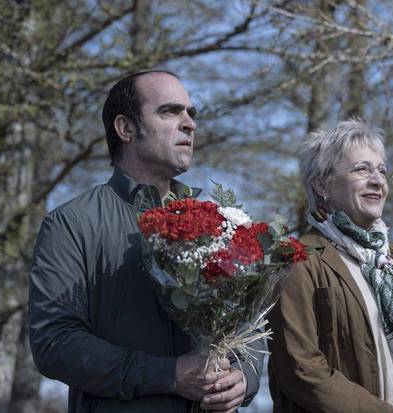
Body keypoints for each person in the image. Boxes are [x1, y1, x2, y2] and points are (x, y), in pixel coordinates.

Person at [29, 70, 262, 413]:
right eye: (170, 111)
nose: (189, 124)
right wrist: (167, 375)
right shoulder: (72, 224)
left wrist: (243, 378)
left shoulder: (219, 224)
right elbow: (55, 344)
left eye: (190, 114)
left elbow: (249, 327)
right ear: (126, 128)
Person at [267, 119, 393, 413]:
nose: (377, 180)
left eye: (382, 171)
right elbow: (299, 367)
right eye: (362, 169)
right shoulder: (299, 259)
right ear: (322, 184)